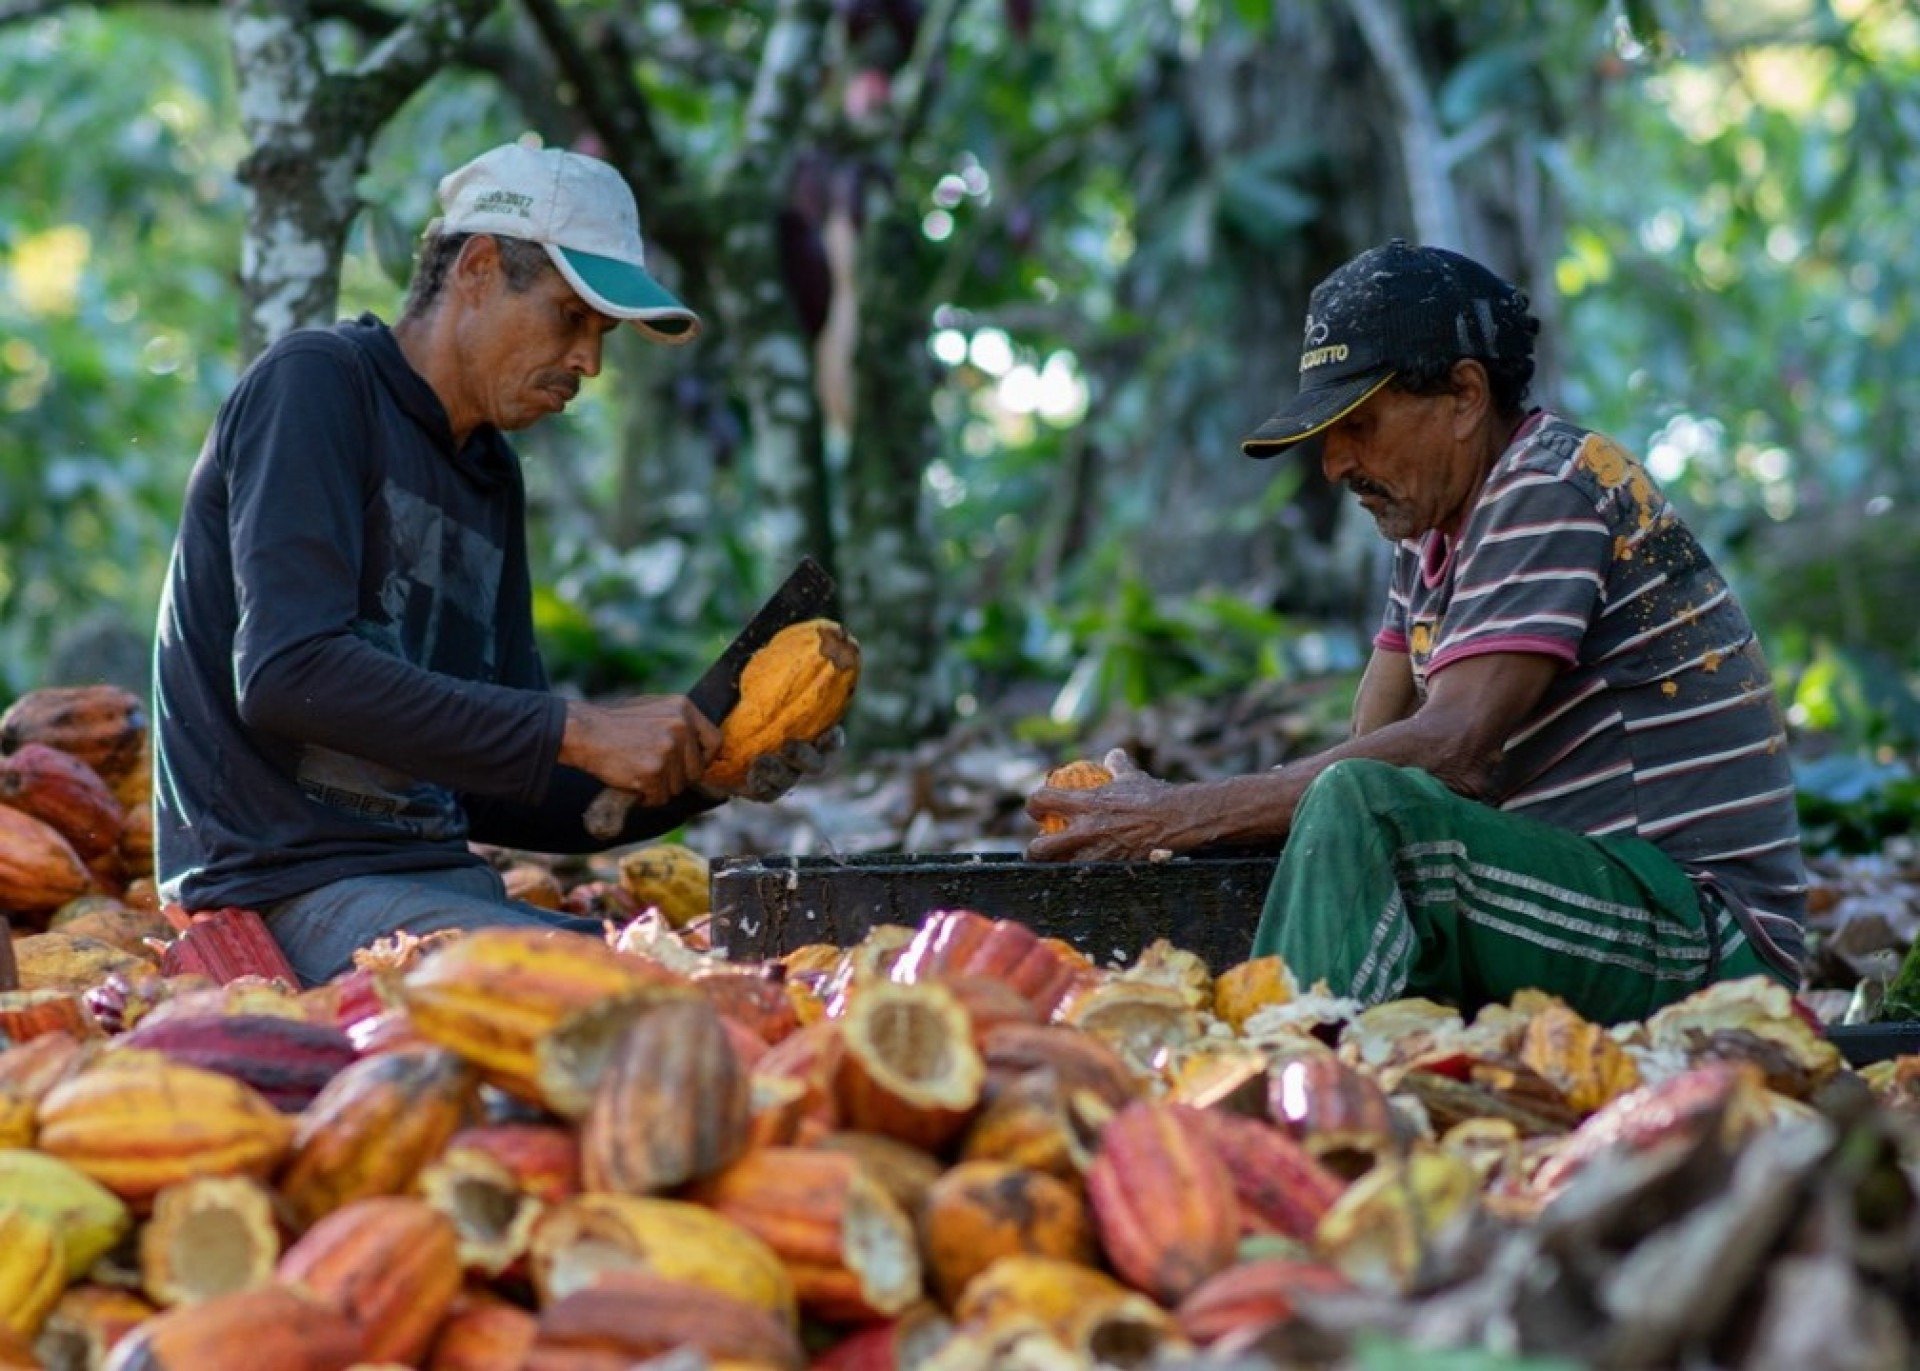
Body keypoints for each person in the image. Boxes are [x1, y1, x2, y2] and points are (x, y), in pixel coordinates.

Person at [1027, 239, 1806, 1025]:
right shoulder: (1433, 532)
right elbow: (1372, 741)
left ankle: (1283, 1079)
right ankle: (1302, 1063)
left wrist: (1183, 812)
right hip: (1579, 906)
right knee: (1343, 806)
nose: (1333, 463)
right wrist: (1202, 822)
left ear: (1466, 397)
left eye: (1359, 424)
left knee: (1360, 807)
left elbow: (1448, 748)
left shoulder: (1548, 484)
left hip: (1704, 940)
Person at [153, 140, 835, 985]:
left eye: (604, 333)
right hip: (286, 896)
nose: (590, 360)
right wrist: (580, 726)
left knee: (763, 975)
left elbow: (502, 775)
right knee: (646, 991)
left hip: (435, 888)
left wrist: (705, 770)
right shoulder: (318, 385)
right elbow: (288, 671)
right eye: (569, 317)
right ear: (476, 268)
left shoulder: (487, 469)